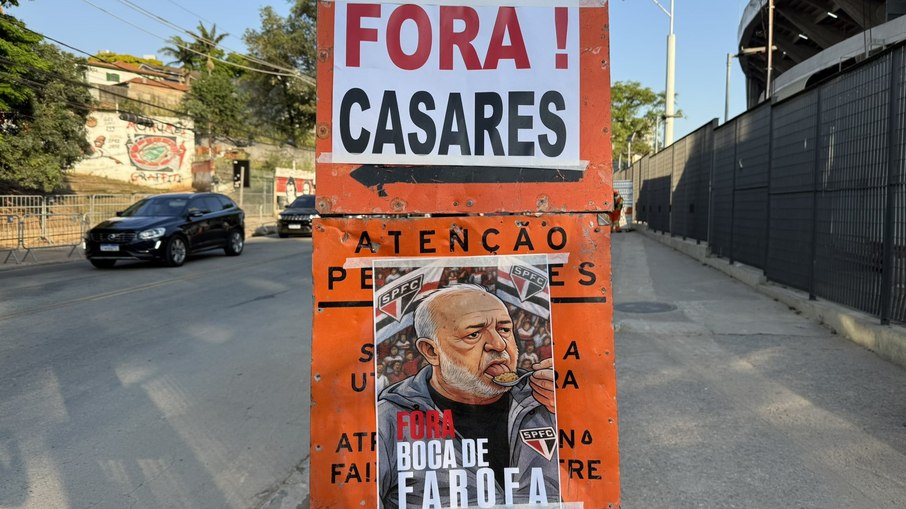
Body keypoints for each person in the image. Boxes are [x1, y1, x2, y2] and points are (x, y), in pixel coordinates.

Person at [377, 285, 558, 508]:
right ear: (431, 351)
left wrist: (574, 413)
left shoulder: (548, 400)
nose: (499, 345)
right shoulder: (386, 422)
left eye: (504, 329)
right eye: (473, 334)